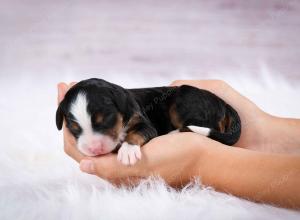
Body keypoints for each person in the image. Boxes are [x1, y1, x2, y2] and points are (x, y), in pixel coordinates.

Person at [57, 80, 300, 209]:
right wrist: (260, 136)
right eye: (78, 130)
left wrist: (199, 161)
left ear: (120, 107)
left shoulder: (128, 108)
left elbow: (146, 129)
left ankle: (200, 128)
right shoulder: (114, 104)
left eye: (104, 124)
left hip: (195, 103)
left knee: (182, 103)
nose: (92, 143)